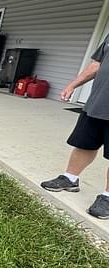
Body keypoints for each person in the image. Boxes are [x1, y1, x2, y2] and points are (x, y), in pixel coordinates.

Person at [41, 33, 109, 219]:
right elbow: (97, 65)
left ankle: (107, 197)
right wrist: (73, 85)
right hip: (97, 103)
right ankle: (70, 178)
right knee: (84, 143)